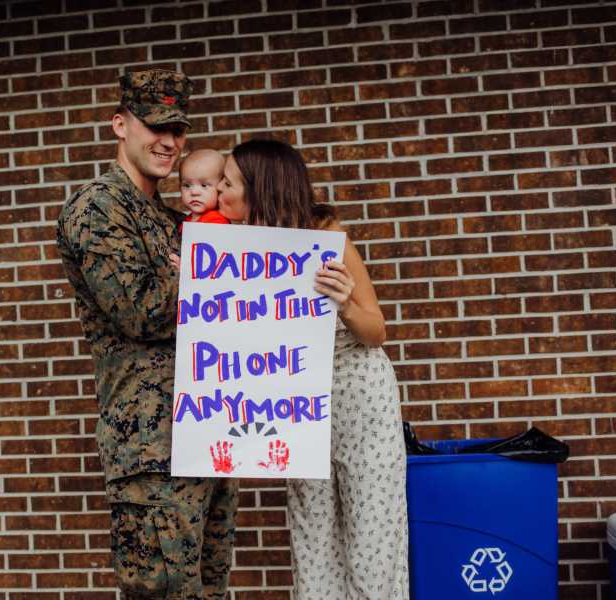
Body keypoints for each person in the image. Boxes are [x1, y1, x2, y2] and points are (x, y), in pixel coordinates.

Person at [56, 69, 238, 600]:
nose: (169, 142)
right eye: (155, 127)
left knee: (209, 591)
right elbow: (140, 311)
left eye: (178, 130)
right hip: (151, 448)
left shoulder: (175, 218)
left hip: (207, 434)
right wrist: (213, 273)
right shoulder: (98, 207)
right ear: (120, 125)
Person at [214, 139, 410, 600]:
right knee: (312, 536)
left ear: (258, 190)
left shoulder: (328, 239)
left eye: (227, 182)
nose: (217, 191)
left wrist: (343, 304)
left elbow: (376, 330)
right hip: (300, 403)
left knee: (372, 534)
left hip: (359, 394)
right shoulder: (229, 250)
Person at [180, 149, 230, 225]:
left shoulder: (216, 222)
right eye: (187, 185)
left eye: (204, 185)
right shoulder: (188, 219)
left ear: (220, 187)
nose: (194, 192)